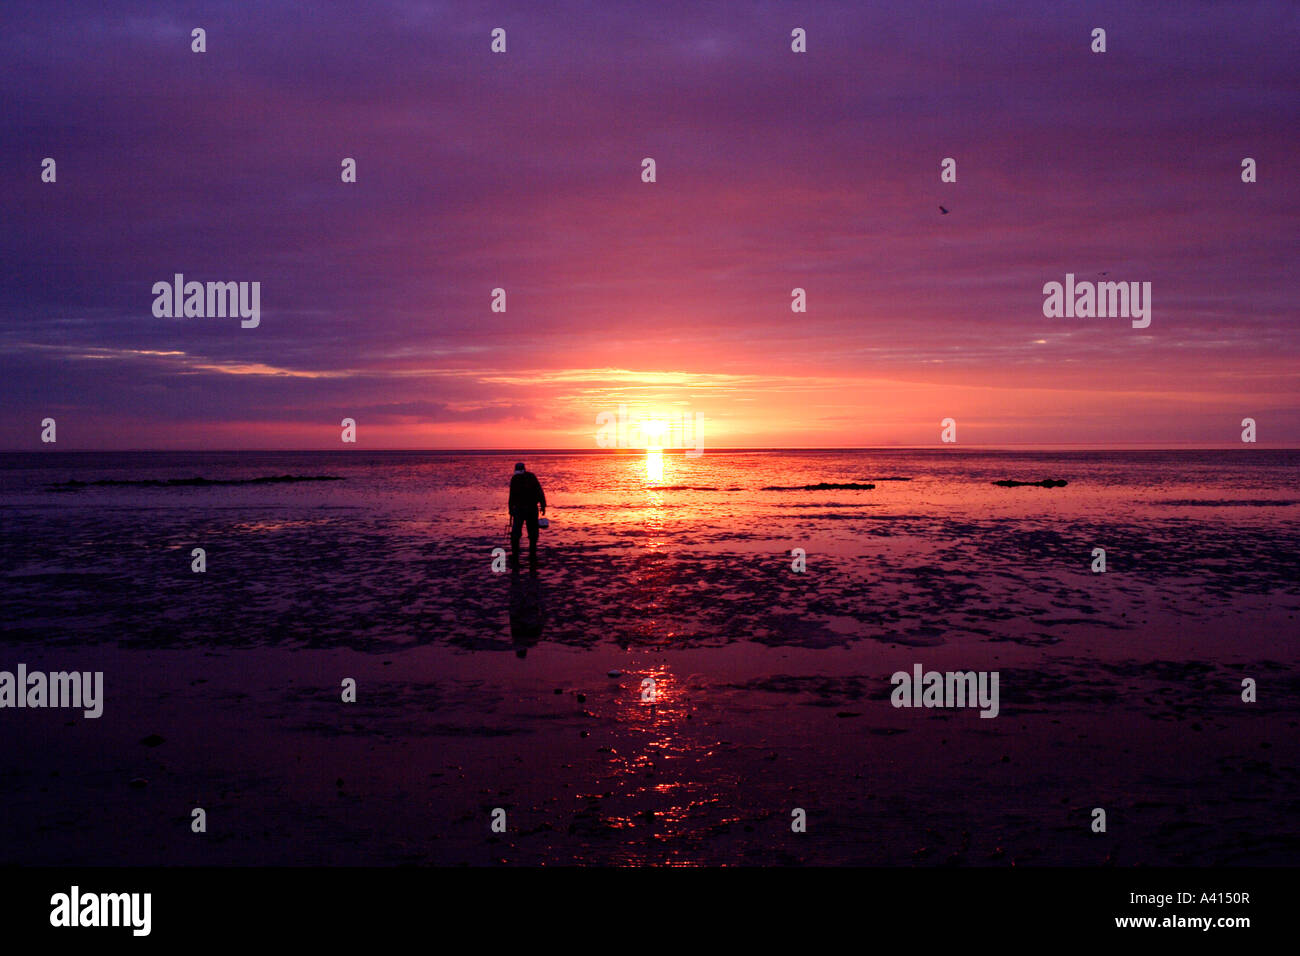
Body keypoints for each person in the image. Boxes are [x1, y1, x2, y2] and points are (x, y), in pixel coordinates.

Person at [508, 462, 546, 571]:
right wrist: (543, 505)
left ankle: (516, 556)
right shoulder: (531, 477)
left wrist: (510, 509)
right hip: (531, 509)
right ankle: (532, 554)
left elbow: (511, 496)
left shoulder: (515, 479)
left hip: (520, 509)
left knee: (516, 533)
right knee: (532, 533)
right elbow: (540, 491)